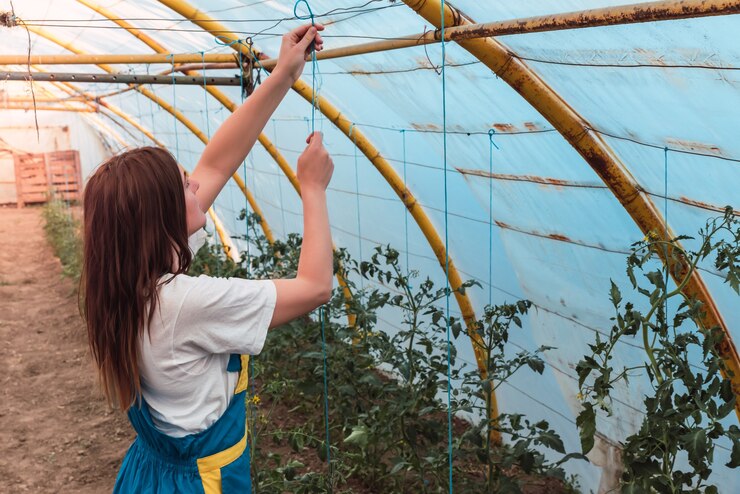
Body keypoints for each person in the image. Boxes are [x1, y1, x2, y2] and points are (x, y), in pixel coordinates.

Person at [80, 24, 332, 493]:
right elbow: (316, 286)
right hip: (201, 483)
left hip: (150, 472)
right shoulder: (183, 305)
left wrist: (282, 76)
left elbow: (217, 163)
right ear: (161, 219)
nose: (196, 185)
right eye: (184, 187)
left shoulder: (130, 280)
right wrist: (313, 188)